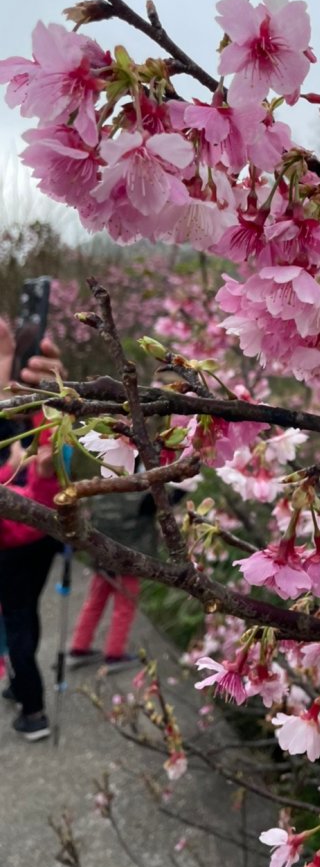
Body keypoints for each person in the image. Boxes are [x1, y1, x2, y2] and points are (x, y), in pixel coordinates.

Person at [0, 317, 65, 742]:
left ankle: (33, 710)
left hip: (14, 543)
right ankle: (23, 687)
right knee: (25, 616)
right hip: (41, 536)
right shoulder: (33, 442)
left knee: (17, 624)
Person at [67, 488, 158, 672]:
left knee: (93, 603)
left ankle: (79, 647)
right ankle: (114, 654)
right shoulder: (139, 496)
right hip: (127, 562)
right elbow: (163, 503)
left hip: (103, 559)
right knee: (124, 607)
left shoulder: (101, 490)